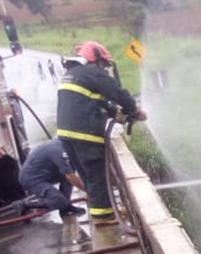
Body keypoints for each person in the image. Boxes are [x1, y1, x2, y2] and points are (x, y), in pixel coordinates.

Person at [56, 41, 146, 226]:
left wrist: (117, 114)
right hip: (85, 132)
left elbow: (94, 102)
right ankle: (103, 216)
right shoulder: (92, 72)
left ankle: (100, 209)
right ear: (94, 59)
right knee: (96, 172)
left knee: (87, 174)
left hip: (67, 134)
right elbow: (116, 92)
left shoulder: (73, 74)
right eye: (104, 64)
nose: (105, 68)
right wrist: (134, 110)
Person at [17, 138, 86, 216]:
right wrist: (88, 191)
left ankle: (66, 207)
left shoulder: (65, 146)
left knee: (69, 170)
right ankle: (24, 204)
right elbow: (70, 176)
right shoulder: (58, 150)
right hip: (30, 178)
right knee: (58, 200)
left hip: (45, 174)